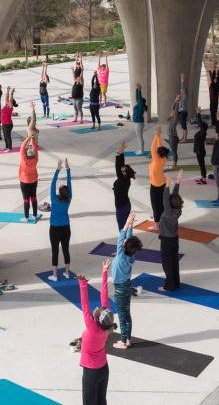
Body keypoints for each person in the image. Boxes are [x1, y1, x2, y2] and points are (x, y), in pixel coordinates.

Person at [79, 259, 116, 405]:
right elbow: (104, 296)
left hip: (91, 372)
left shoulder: (93, 328)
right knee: (101, 402)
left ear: (97, 317)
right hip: (103, 369)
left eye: (98, 309)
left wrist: (83, 284)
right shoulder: (106, 325)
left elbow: (85, 305)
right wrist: (104, 272)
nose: (97, 307)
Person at [112, 213, 141, 350]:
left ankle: (123, 342)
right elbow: (128, 239)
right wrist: (131, 224)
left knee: (122, 316)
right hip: (127, 286)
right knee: (127, 313)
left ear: (124, 247)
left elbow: (121, 236)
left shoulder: (121, 255)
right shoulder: (130, 256)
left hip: (120, 289)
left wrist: (127, 223)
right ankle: (128, 339)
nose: (123, 241)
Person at [48, 158, 73, 281]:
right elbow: (70, 185)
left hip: (54, 228)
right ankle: (67, 273)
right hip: (66, 228)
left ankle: (55, 275)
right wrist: (68, 170)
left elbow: (52, 184)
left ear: (58, 192)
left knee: (55, 251)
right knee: (66, 249)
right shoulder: (68, 199)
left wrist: (58, 169)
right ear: (67, 193)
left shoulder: (54, 199)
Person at [159, 170, 184, 292]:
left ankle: (169, 286)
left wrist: (167, 185)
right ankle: (176, 282)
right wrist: (178, 181)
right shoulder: (177, 210)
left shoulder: (168, 212)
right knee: (174, 261)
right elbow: (175, 196)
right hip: (174, 239)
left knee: (167, 263)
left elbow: (165, 200)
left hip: (166, 240)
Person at [19, 124, 41, 222]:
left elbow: (22, 147)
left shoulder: (24, 160)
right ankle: (35, 215)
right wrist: (31, 139)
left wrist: (28, 138)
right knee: (34, 198)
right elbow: (35, 148)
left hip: (24, 182)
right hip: (34, 180)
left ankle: (26, 217)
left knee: (26, 200)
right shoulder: (35, 160)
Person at [113, 140, 136, 231]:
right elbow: (120, 166)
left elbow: (118, 167)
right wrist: (121, 153)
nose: (120, 169)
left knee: (122, 229)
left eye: (123, 170)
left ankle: (125, 243)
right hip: (125, 205)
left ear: (125, 174)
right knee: (127, 226)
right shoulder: (126, 179)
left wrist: (120, 153)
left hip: (122, 208)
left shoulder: (123, 180)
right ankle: (128, 241)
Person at [149, 131, 169, 223]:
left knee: (155, 205)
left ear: (158, 154)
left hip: (155, 186)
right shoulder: (164, 159)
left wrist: (156, 135)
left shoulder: (156, 160)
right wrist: (159, 136)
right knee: (162, 204)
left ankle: (157, 223)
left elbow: (152, 148)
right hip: (163, 184)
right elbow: (159, 147)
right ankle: (162, 219)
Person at [193, 108, 209, 182]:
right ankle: (202, 177)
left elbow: (200, 123)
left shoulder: (203, 133)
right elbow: (200, 124)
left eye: (201, 126)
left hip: (200, 151)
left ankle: (204, 179)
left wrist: (199, 114)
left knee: (202, 165)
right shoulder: (202, 132)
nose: (199, 126)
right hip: (199, 150)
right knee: (201, 165)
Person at [131, 83, 148, 153]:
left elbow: (139, 98)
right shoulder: (139, 104)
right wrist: (137, 89)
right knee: (139, 137)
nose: (138, 100)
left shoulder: (141, 106)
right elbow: (137, 97)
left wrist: (140, 90)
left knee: (139, 137)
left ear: (141, 102)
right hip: (137, 123)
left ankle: (141, 150)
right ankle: (141, 149)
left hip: (139, 124)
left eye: (140, 100)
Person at [0, 86, 16, 152]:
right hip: (4, 124)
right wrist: (7, 91)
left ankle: (9, 148)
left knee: (8, 136)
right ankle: (6, 147)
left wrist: (11, 94)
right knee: (5, 136)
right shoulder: (6, 105)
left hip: (8, 124)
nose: (8, 101)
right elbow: (6, 98)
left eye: (9, 101)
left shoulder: (10, 108)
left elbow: (10, 99)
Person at [166, 105, 180, 170]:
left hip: (173, 138)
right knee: (174, 151)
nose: (171, 112)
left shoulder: (174, 120)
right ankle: (175, 163)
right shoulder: (170, 119)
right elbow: (173, 108)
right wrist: (176, 101)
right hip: (171, 137)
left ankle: (174, 164)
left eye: (173, 112)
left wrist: (178, 103)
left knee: (174, 151)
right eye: (171, 112)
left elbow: (176, 111)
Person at [177, 73, 189, 141]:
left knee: (184, 127)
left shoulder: (184, 96)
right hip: (182, 112)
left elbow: (182, 87)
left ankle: (185, 139)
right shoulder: (183, 97)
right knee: (182, 126)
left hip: (183, 113)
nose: (181, 91)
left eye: (182, 91)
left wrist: (182, 79)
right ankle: (183, 137)